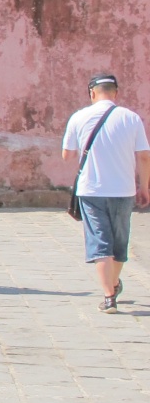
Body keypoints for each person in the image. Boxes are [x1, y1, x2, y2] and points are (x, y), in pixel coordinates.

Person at [61, 73, 150, 313]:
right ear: (115, 93)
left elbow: (67, 155)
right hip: (124, 190)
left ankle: (109, 296)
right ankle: (114, 282)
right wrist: (144, 187)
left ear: (92, 93)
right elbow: (144, 156)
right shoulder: (131, 118)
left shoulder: (78, 117)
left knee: (100, 241)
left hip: (91, 190)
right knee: (119, 242)